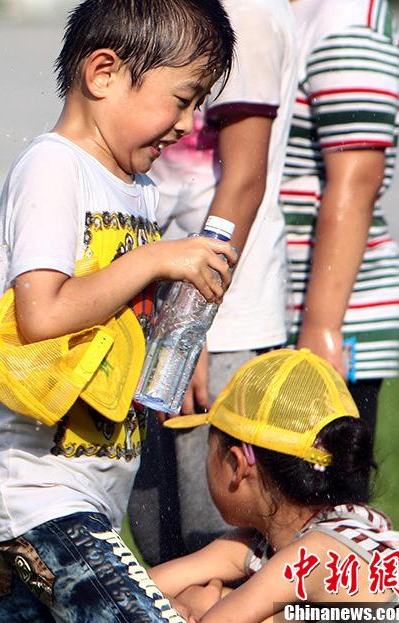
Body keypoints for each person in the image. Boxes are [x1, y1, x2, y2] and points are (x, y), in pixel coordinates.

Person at [0, 1, 238, 620]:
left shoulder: (138, 189)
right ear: (104, 74)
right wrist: (154, 261)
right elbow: (40, 314)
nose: (190, 124)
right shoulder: (53, 168)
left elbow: (115, 315)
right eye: (183, 98)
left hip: (91, 492)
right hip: (41, 495)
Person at [128, 0, 298, 566]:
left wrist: (184, 324)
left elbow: (244, 179)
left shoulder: (242, 14)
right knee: (154, 535)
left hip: (218, 322)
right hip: (153, 303)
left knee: (215, 548)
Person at [150, 348, 399, 622]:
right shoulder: (267, 541)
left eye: (209, 447)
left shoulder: (314, 553)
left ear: (237, 465)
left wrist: (195, 605)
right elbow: (135, 587)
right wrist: (191, 602)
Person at [281, 0, 399, 434]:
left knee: (316, 497)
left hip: (333, 311)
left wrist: (321, 328)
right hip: (287, 302)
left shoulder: (346, 19)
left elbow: (356, 182)